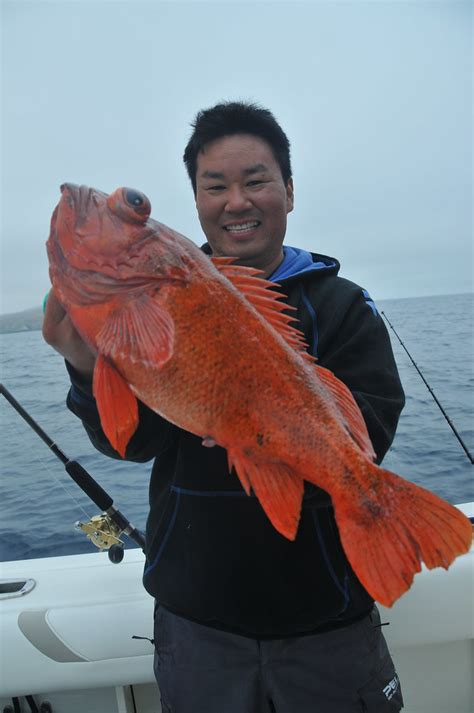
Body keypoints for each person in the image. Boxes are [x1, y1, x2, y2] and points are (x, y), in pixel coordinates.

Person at [43, 101, 405, 713]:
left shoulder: (344, 304)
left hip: (327, 615)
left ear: (288, 192)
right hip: (197, 621)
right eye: (216, 186)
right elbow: (131, 443)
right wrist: (84, 365)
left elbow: (372, 421)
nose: (236, 201)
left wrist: (271, 439)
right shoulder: (161, 293)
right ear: (197, 201)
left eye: (256, 181)